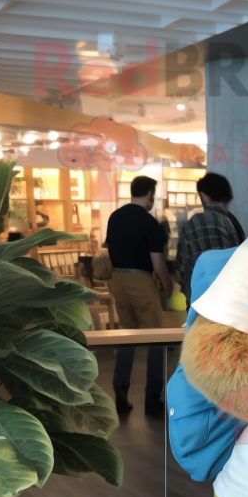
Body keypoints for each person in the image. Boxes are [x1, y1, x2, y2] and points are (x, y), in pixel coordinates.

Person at [106, 175, 173, 415]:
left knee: (127, 336)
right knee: (156, 337)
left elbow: (108, 250)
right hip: (140, 281)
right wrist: (168, 284)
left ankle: (120, 393)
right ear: (149, 194)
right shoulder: (148, 222)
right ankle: (153, 398)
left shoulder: (115, 217)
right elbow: (157, 260)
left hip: (118, 280)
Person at [175, 172, 246, 306]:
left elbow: (181, 266)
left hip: (200, 301)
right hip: (230, 300)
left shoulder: (196, 222)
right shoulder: (233, 222)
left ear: (204, 195)